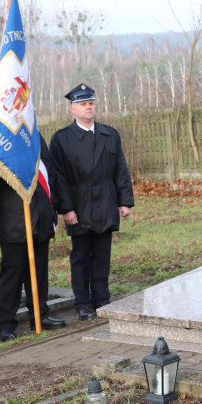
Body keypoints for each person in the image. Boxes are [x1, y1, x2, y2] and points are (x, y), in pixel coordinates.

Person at [49, 83, 134, 321]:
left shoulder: (109, 134)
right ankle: (83, 302)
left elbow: (120, 169)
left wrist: (124, 201)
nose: (89, 107)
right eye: (84, 104)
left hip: (105, 203)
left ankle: (101, 298)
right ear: (73, 109)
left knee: (102, 256)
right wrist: (66, 208)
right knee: (81, 256)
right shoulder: (62, 139)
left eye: (91, 103)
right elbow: (58, 177)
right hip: (79, 205)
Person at [0, 135, 66, 341]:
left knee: (39, 272)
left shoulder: (35, 136)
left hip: (40, 216)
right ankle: (6, 324)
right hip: (13, 218)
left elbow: (49, 175)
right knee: (12, 275)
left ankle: (40, 315)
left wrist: (52, 211)